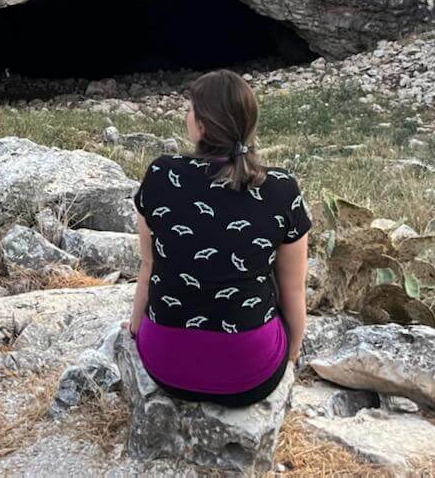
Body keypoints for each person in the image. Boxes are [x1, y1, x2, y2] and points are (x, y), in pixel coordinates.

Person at [126, 69, 312, 407]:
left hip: (166, 364)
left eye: (191, 109)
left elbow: (149, 265)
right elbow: (293, 290)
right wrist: (293, 350)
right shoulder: (282, 189)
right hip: (250, 372)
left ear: (202, 125)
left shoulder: (161, 175)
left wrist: (137, 327)